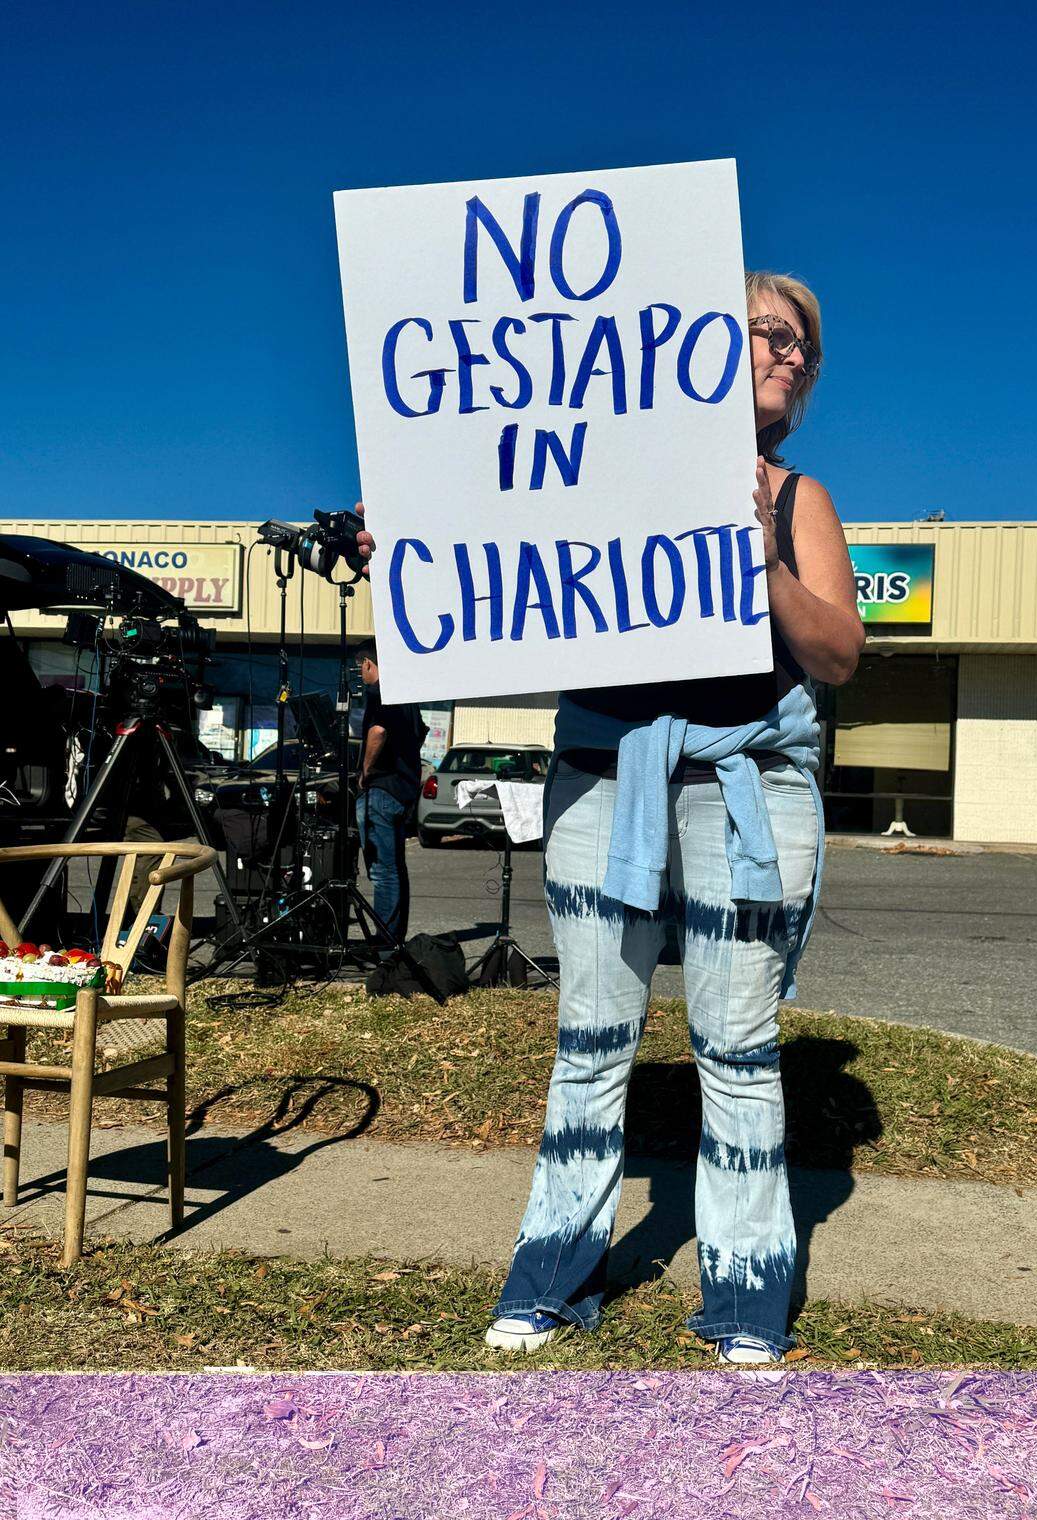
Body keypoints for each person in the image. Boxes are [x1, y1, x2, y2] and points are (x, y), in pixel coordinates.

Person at [355, 271, 864, 1364]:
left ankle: (747, 1290)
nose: (785, 354)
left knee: (736, 1046)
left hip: (744, 791)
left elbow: (838, 652)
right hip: (601, 777)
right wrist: (416, 558)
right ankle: (551, 1270)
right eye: (766, 332)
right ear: (696, 348)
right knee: (590, 1039)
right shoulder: (590, 476)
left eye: (801, 348)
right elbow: (503, 578)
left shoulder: (795, 498)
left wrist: (752, 546)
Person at [354, 641, 425, 947]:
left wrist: (366, 770)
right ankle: (394, 939)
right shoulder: (407, 695)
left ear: (368, 663)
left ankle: (384, 943)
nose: (359, 674)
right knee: (395, 869)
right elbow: (420, 732)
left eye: (360, 667)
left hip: (381, 789)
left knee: (382, 871)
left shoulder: (379, 692)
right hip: (402, 790)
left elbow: (378, 731)